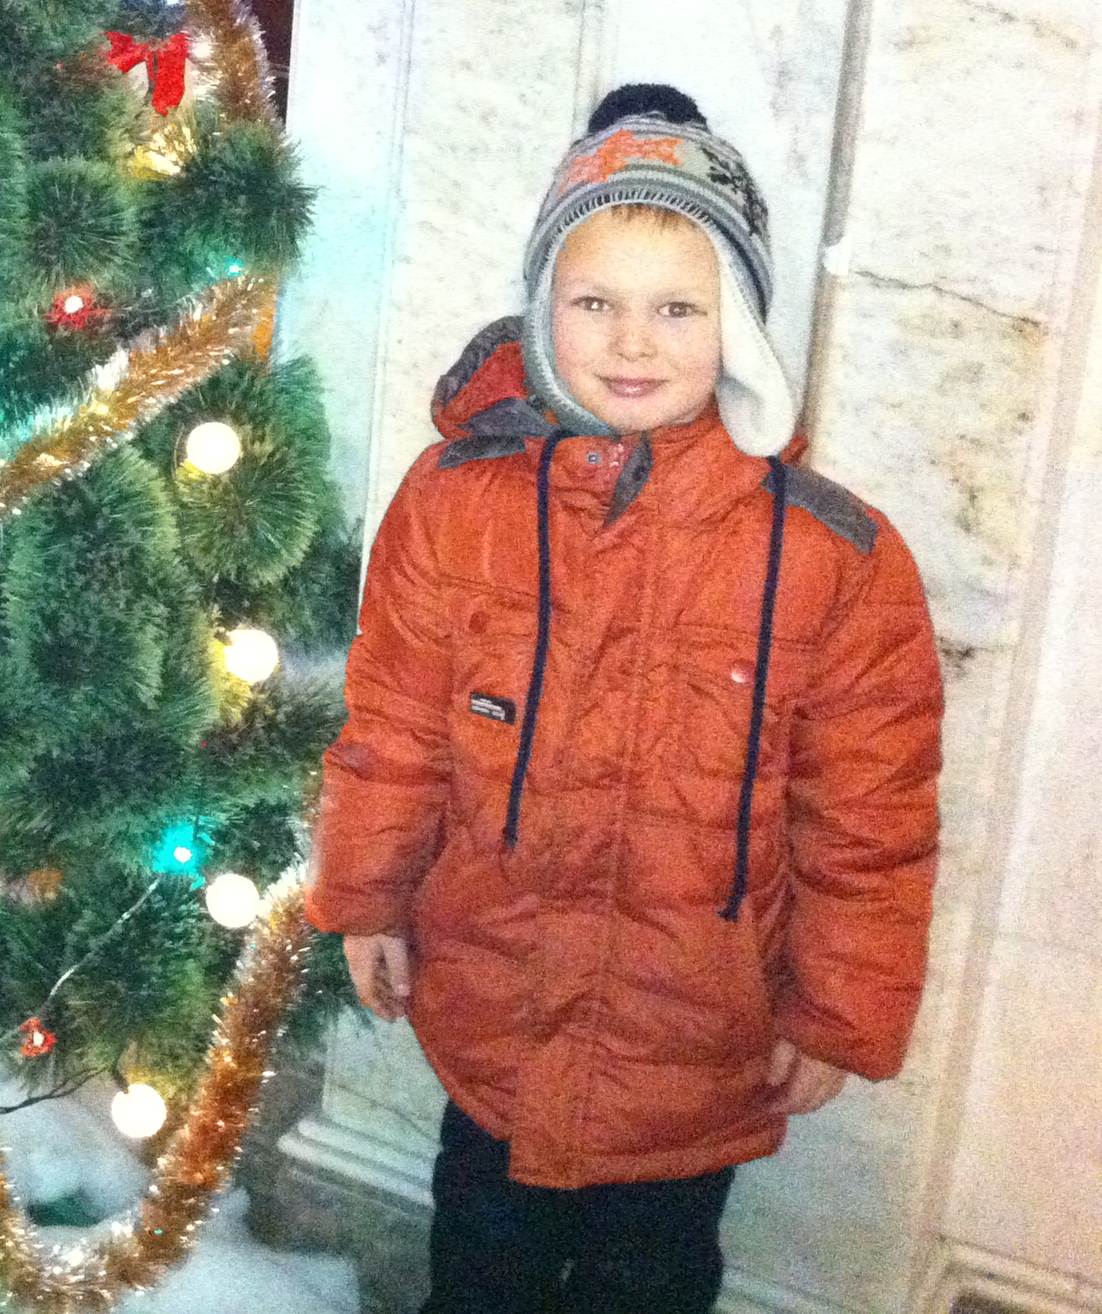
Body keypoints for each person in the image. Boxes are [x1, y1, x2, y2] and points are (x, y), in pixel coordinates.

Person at [305, 84, 942, 1313]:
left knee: (648, 1286)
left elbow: (871, 812)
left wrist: (839, 1006)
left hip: (697, 1042)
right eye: (596, 301)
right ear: (543, 306)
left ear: (737, 323)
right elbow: (393, 727)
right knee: (479, 1274)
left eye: (677, 308)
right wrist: (366, 895)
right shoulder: (453, 501)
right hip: (495, 1008)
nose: (633, 342)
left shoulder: (837, 558)